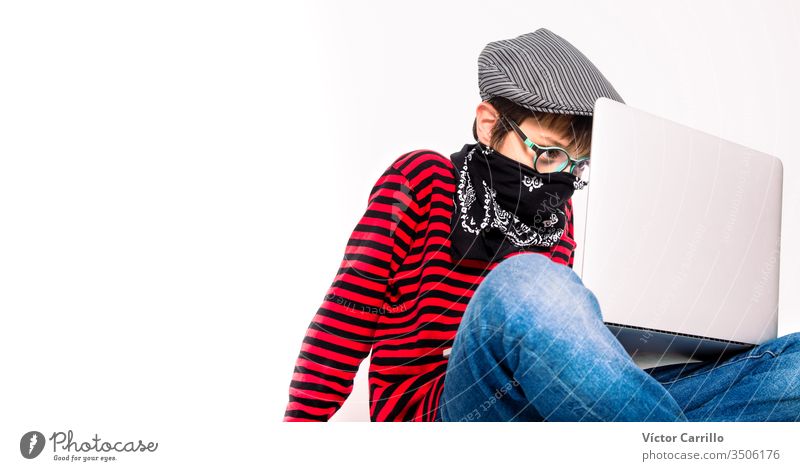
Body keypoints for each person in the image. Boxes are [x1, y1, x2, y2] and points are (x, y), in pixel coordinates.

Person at [283, 28, 800, 422]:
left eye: (576, 166)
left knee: (790, 363)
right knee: (528, 282)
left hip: (542, 405)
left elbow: (560, 345)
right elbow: (344, 316)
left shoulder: (558, 213)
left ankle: (666, 443)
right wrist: (296, 445)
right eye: (549, 154)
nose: (561, 179)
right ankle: (667, 448)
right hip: (440, 413)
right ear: (490, 126)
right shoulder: (421, 178)